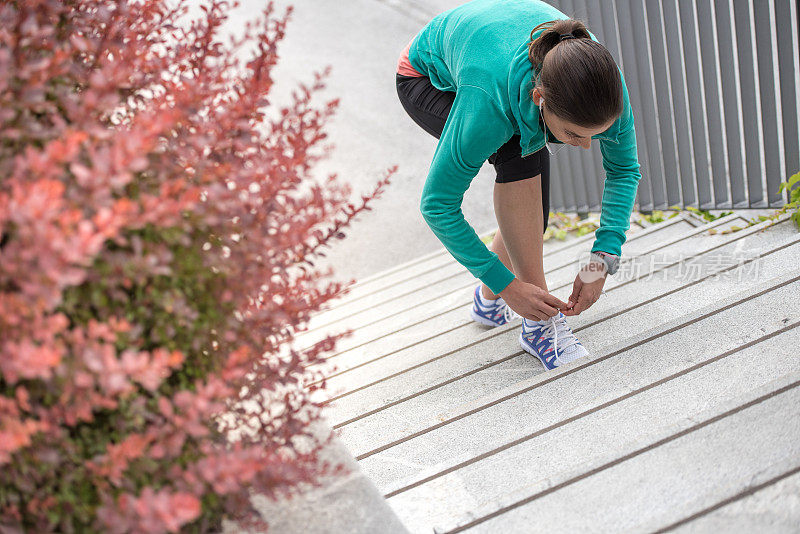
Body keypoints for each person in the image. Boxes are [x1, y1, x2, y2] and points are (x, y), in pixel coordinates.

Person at [395, 0, 641, 370]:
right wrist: (510, 287)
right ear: (540, 99)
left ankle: (487, 301)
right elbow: (437, 204)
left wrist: (600, 263)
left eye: (596, 135)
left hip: (500, 47)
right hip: (425, 77)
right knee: (519, 155)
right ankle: (537, 322)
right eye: (574, 134)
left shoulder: (604, 85)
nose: (586, 146)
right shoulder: (488, 103)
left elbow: (624, 171)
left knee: (528, 206)